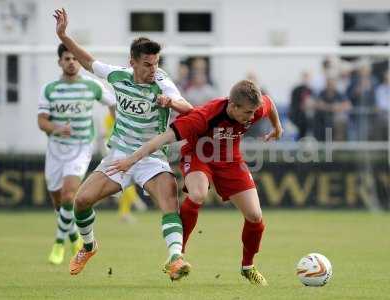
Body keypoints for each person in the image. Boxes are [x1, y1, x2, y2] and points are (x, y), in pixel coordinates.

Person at [54, 8, 193, 280]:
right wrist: (63, 35)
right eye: (147, 64)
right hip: (119, 155)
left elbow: (187, 108)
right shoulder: (118, 76)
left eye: (156, 63)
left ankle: (176, 258)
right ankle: (90, 245)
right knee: (81, 201)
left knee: (169, 200)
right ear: (133, 62)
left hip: (151, 158)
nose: (153, 69)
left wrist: (170, 102)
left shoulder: (163, 82)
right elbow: (87, 60)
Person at [106, 80, 283, 286]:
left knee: (255, 216)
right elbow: (162, 139)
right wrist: (131, 160)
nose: (252, 117)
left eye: (254, 112)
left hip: (230, 159)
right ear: (233, 106)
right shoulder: (204, 117)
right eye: (248, 113)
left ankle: (248, 266)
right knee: (198, 194)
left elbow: (269, 104)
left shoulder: (255, 106)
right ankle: (177, 256)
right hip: (199, 156)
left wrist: (277, 127)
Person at [38, 43, 116, 265]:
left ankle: (58, 244)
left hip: (81, 148)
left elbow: (113, 104)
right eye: (67, 59)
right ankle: (74, 238)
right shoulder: (49, 89)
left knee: (69, 197)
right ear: (60, 62)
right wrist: (57, 128)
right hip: (55, 150)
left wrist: (116, 129)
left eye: (74, 58)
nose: (71, 62)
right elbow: (41, 121)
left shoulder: (91, 86)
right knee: (58, 202)